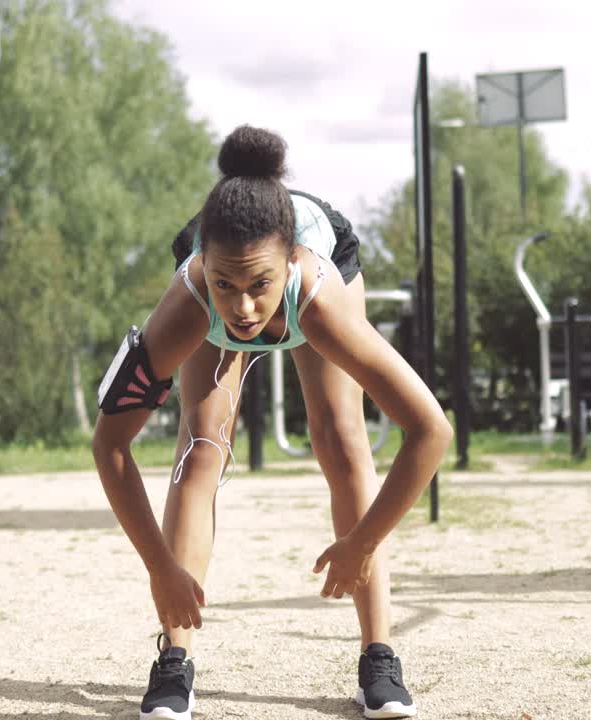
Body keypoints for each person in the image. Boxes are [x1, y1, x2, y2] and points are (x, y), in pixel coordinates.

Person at [92, 124, 451, 720]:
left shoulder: (317, 296)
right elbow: (110, 448)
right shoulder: (189, 304)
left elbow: (431, 429)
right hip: (223, 267)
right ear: (203, 264)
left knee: (339, 436)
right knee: (201, 447)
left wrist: (361, 544)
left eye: (259, 285)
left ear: (288, 265)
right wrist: (161, 568)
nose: (243, 307)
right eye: (225, 285)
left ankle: (379, 656)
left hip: (322, 262)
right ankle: (174, 662)